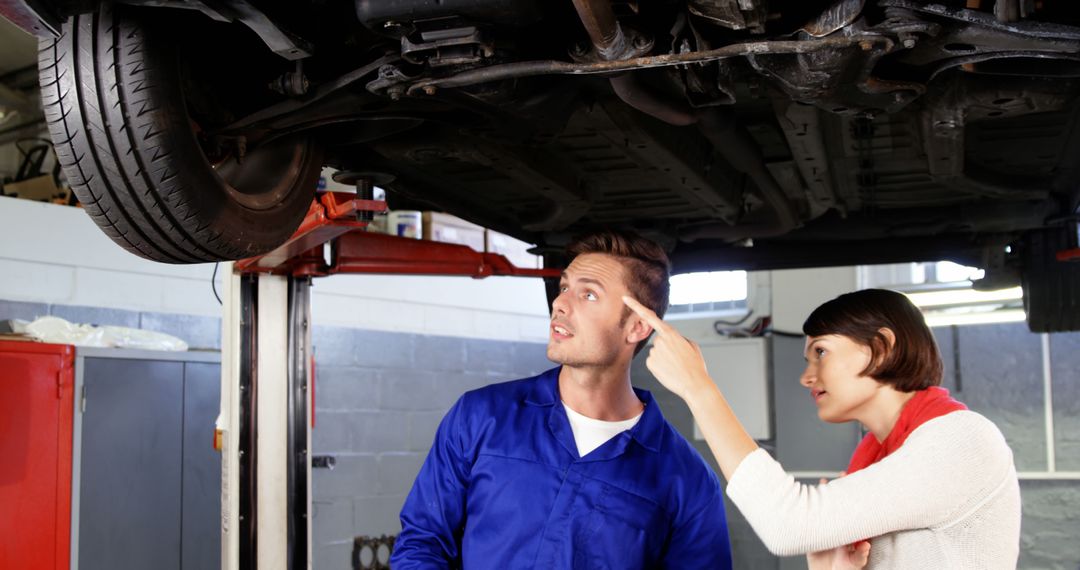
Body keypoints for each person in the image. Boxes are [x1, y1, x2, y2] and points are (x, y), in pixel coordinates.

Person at [391, 230, 733, 569]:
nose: (560, 303)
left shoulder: (686, 480)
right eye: (565, 287)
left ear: (637, 327)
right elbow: (422, 543)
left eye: (590, 295)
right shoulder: (481, 417)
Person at [623, 288, 1021, 570]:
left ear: (881, 347)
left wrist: (699, 388)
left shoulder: (960, 441)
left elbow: (788, 524)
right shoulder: (878, 460)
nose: (807, 377)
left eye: (821, 352)